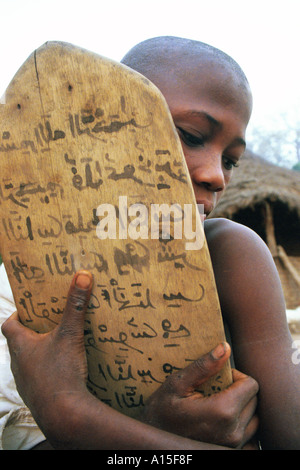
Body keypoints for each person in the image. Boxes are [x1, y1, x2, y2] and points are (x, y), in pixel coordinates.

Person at [1, 36, 299, 450]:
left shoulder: (231, 254)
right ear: (96, 135)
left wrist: (72, 417)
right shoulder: (16, 288)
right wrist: (129, 425)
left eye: (231, 159)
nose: (218, 175)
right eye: (192, 135)